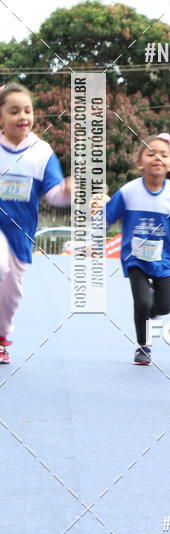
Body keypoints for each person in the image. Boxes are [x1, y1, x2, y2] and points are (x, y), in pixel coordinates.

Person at [106, 133, 170, 365]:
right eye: (151, 153)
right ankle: (143, 346)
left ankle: (147, 311)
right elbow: (105, 218)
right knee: (141, 303)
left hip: (163, 261)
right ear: (140, 162)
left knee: (164, 306)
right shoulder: (129, 192)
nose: (157, 158)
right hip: (135, 259)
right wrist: (92, 242)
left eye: (163, 155)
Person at [0, 83, 71, 365]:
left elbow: (54, 195)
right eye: (14, 111)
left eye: (27, 110)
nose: (23, 117)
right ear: (1, 117)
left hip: (20, 235)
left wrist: (68, 191)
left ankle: (2, 337)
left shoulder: (42, 152)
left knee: (11, 292)